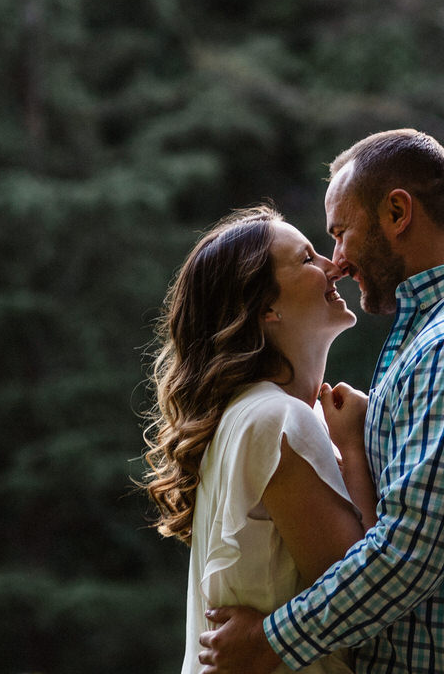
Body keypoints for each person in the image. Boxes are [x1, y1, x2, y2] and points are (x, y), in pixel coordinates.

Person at [197, 129, 444, 674]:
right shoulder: (443, 333)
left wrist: (270, 643)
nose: (337, 260)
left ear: (397, 212)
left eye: (341, 233)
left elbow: (410, 553)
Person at [143, 205, 380, 674]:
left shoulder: (251, 414)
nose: (335, 266)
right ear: (265, 308)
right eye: (308, 258)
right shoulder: (276, 419)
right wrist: (353, 448)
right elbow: (366, 597)